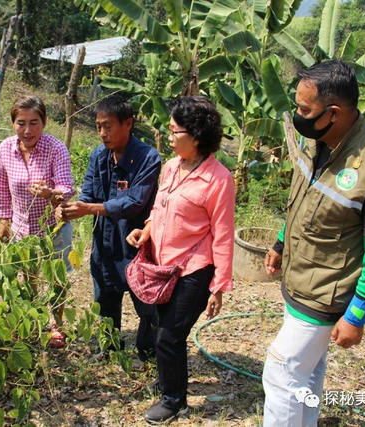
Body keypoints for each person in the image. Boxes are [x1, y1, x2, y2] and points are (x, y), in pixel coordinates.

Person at [262, 60, 365, 426]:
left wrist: (358, 314)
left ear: (334, 112)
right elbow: (306, 198)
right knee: (305, 375)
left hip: (325, 294)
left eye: (304, 110)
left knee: (281, 371)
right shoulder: (320, 140)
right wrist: (281, 243)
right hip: (301, 281)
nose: (298, 116)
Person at [126, 96, 235, 424]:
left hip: (194, 269)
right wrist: (146, 231)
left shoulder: (219, 179)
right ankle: (169, 382)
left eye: (175, 131)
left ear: (197, 136)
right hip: (163, 265)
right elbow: (160, 209)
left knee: (170, 335)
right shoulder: (171, 167)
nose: (169, 136)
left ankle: (174, 401)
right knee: (163, 329)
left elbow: (224, 233)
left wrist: (219, 287)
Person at [56, 96, 161, 361]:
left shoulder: (148, 157)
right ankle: (110, 349)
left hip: (138, 240)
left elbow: (134, 203)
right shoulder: (98, 156)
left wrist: (88, 209)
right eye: (99, 127)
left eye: (108, 126)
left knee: (147, 304)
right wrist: (69, 210)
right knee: (105, 298)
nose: (102, 133)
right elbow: (89, 195)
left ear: (128, 123)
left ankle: (148, 353)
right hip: (105, 241)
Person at [0, 95, 75, 348]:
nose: (27, 130)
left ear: (44, 122)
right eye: (21, 123)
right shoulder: (6, 148)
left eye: (34, 123)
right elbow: (1, 189)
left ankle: (57, 326)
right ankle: (31, 322)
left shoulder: (55, 148)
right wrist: (3, 223)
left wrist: (50, 193)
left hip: (54, 227)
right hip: (21, 227)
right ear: (13, 123)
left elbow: (67, 188)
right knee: (27, 276)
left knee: (57, 277)